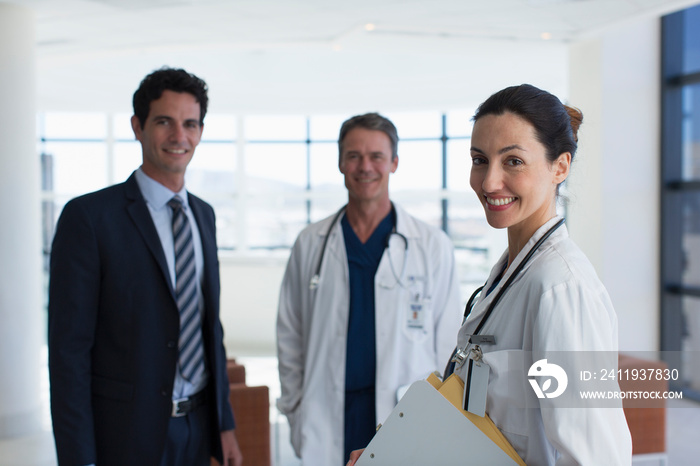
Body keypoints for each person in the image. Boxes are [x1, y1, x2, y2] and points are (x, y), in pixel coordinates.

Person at [348, 85, 632, 465]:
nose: (489, 182)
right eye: (479, 159)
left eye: (513, 161)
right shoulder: (511, 274)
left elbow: (598, 458)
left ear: (560, 167)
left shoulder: (562, 289)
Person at [48, 67, 243, 466]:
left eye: (190, 124)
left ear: (201, 132)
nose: (179, 136)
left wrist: (224, 425)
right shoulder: (89, 218)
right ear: (137, 127)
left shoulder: (203, 216)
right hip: (124, 435)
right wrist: (78, 458)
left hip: (198, 428)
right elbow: (68, 355)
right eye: (164, 122)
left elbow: (210, 326)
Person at [276, 112, 463, 465]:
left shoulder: (432, 245)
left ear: (393, 162)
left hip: (405, 412)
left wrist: (438, 417)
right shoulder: (310, 243)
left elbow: (448, 344)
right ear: (340, 162)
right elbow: (290, 334)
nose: (365, 166)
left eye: (376, 156)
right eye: (354, 156)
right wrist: (295, 408)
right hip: (326, 411)